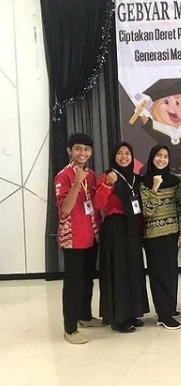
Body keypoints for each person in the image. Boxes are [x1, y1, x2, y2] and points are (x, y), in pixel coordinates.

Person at [94, 142, 150, 333]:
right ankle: (118, 318)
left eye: (127, 153)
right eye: (119, 153)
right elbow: (98, 203)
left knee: (133, 269)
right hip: (115, 228)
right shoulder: (108, 175)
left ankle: (132, 312)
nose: (124, 157)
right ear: (114, 156)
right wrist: (108, 184)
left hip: (132, 228)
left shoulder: (135, 178)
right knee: (118, 272)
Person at [53, 133, 103, 344]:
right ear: (69, 150)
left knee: (87, 277)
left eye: (86, 149)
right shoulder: (63, 176)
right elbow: (65, 208)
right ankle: (70, 329)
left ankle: (84, 316)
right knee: (73, 282)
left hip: (92, 233)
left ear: (91, 152)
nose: (83, 153)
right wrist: (75, 184)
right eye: (78, 149)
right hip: (73, 236)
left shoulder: (91, 175)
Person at [140, 145, 181, 330]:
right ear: (152, 158)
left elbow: (178, 208)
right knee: (158, 275)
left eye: (165, 156)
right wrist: (154, 187)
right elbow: (147, 211)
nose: (162, 159)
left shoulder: (174, 181)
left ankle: (170, 308)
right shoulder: (144, 182)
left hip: (172, 233)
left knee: (171, 273)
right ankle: (163, 315)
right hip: (153, 235)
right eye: (158, 155)